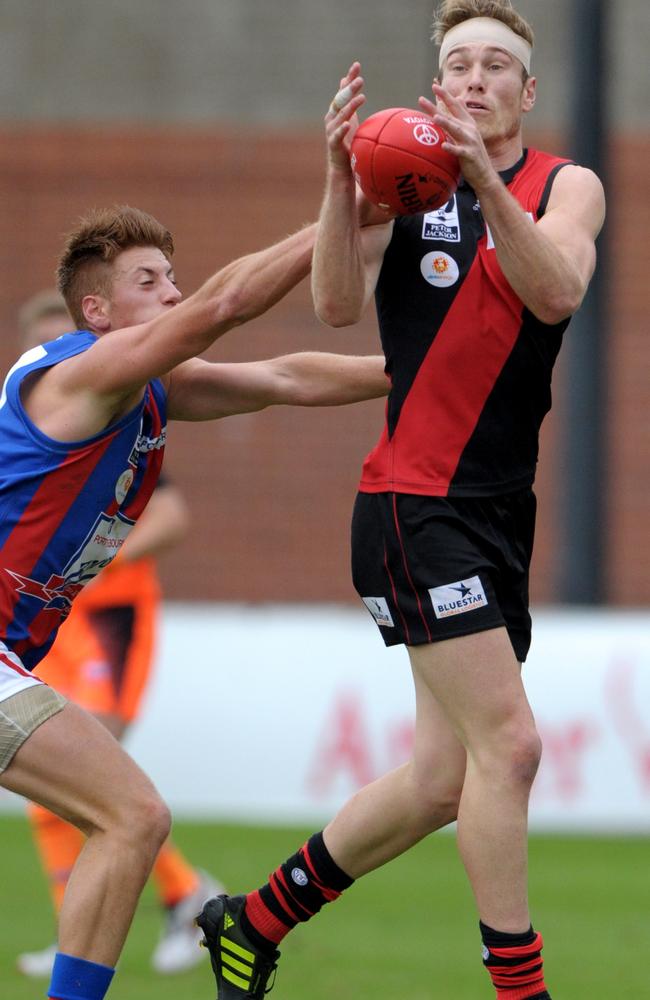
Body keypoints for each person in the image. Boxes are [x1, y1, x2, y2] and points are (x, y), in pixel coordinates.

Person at [196, 2, 606, 998]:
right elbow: (334, 305)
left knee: (438, 781)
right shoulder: (401, 185)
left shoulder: (564, 186)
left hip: (495, 510)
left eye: (493, 66)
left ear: (526, 90)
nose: (473, 78)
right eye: (455, 63)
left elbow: (553, 290)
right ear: (436, 82)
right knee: (507, 747)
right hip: (410, 503)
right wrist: (339, 184)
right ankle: (519, 987)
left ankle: (249, 920)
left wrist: (480, 181)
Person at [0, 205, 388, 1000]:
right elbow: (225, 307)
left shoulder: (149, 392)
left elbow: (285, 378)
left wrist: (426, 371)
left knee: (128, 817)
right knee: (132, 815)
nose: (175, 293)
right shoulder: (79, 371)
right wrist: (342, 217)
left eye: (173, 278)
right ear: (97, 312)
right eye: (150, 282)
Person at [15, 291, 225, 979]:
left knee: (101, 775)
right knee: (57, 787)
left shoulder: (125, 416)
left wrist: (93, 558)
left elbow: (173, 514)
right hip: (51, 626)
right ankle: (94, 922)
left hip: (108, 615)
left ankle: (186, 897)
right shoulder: (40, 434)